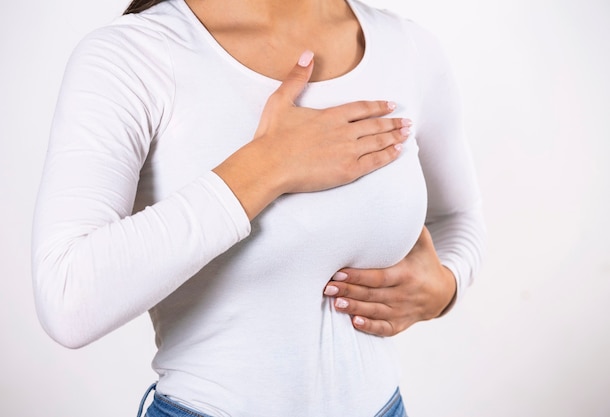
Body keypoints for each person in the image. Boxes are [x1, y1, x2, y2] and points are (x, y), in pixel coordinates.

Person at [31, 0, 485, 415]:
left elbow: (457, 217)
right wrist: (267, 166)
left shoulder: (407, 47)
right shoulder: (134, 54)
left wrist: (445, 287)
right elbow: (68, 298)